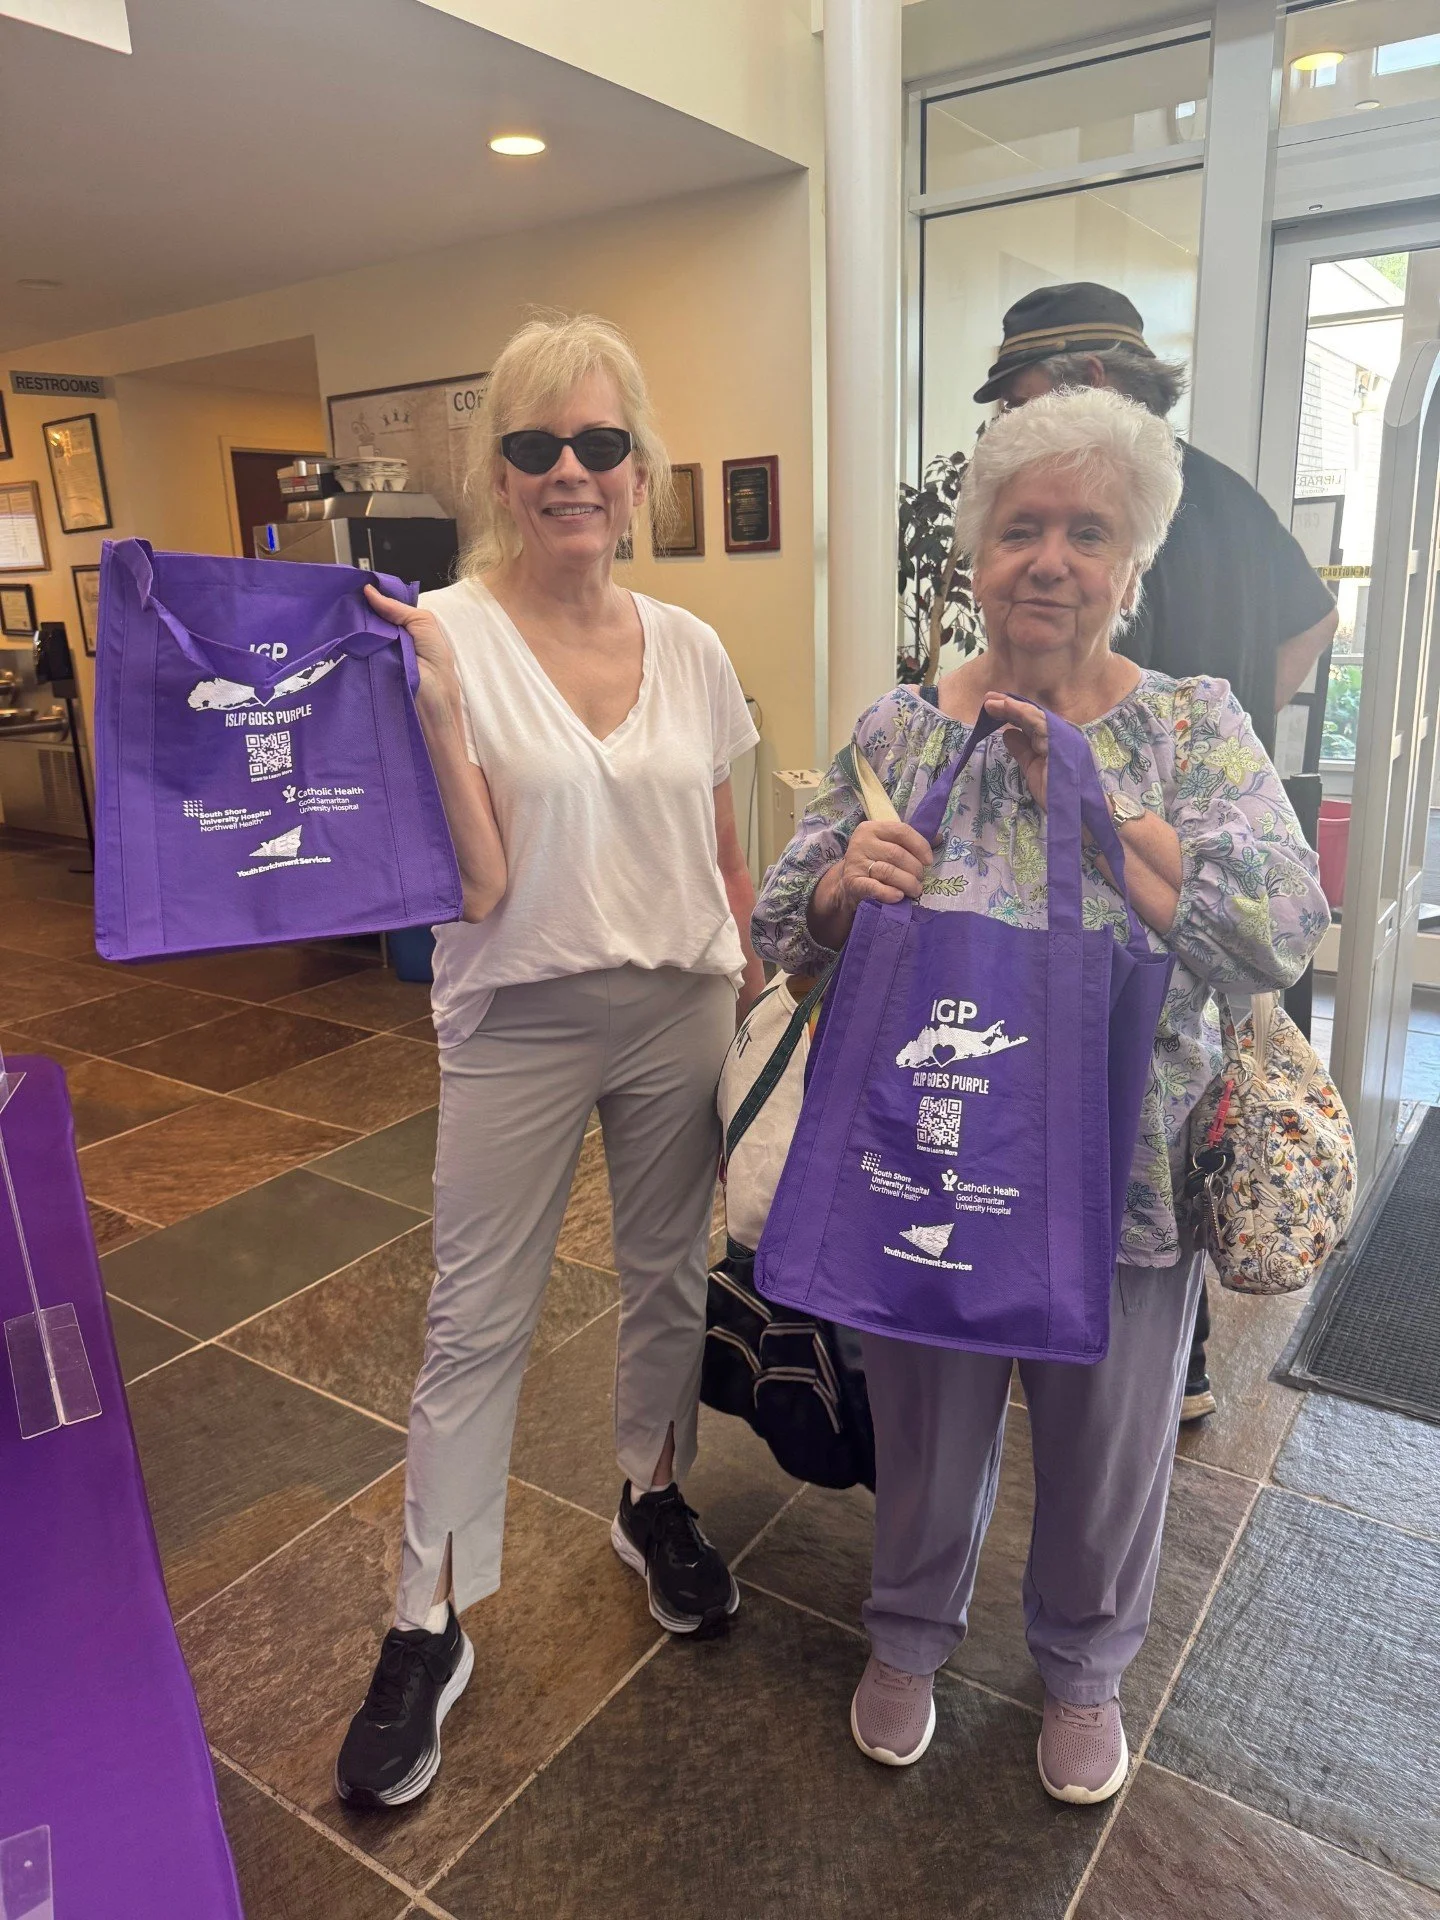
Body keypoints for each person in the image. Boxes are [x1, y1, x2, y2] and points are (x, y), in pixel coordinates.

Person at [751, 387, 1328, 1801]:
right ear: (977, 553)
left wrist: (1106, 812)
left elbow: (1279, 925)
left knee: (1109, 1450)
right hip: (933, 1167)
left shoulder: (1189, 728)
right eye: (1021, 528)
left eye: (1089, 532)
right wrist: (840, 889)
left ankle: (1083, 1667)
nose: (1051, 560)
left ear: (1133, 565)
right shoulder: (901, 733)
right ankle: (908, 1634)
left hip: (1123, 1178)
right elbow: (777, 922)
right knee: (927, 1433)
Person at [335, 313, 764, 1810]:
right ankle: (428, 1615)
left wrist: (755, 985)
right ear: (502, 476)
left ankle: (651, 1498)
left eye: (598, 443)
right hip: (517, 1013)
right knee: (475, 1319)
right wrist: (439, 713)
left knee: (666, 1281)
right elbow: (476, 888)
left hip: (679, 1004)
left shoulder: (693, 647)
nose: (570, 470)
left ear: (639, 470)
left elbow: (723, 853)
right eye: (536, 446)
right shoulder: (441, 635)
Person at [976, 281, 1339, 1421]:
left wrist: (1184, 747)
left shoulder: (1141, 499)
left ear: (1087, 376)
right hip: (1201, 820)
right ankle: (1172, 1363)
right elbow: (1317, 618)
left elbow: (1282, 921)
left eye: (1023, 393)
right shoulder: (1228, 493)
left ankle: (1141, 1360)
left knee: (1154, 1095)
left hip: (1158, 839)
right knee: (1176, 1106)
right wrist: (1253, 714)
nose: (1016, 422)